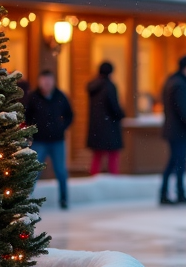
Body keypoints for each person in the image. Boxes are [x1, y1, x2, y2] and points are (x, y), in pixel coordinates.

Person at [24, 69, 74, 209]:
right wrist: (32, 131)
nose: (46, 83)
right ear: (40, 82)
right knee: (34, 171)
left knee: (61, 171)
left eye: (49, 80)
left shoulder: (60, 96)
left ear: (53, 81)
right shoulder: (33, 97)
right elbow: (26, 116)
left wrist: (61, 127)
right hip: (39, 141)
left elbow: (70, 115)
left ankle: (63, 199)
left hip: (57, 141)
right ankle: (27, 199)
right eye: (44, 81)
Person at [160, 55, 186, 206]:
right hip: (178, 130)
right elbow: (184, 110)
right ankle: (176, 192)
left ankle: (169, 192)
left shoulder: (174, 81)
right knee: (178, 162)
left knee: (174, 162)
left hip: (175, 129)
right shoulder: (180, 84)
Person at [86, 61, 125, 175]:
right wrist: (122, 114)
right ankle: (114, 181)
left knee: (97, 156)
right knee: (113, 156)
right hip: (110, 127)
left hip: (96, 127)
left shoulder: (93, 86)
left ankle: (93, 179)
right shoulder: (109, 86)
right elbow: (114, 107)